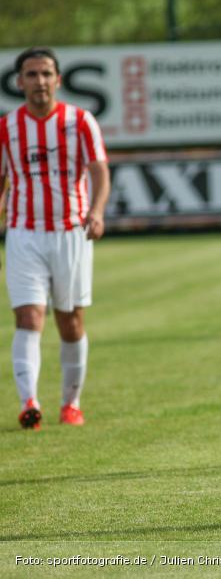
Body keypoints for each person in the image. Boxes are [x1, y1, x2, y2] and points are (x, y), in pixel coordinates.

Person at [0, 47, 110, 429]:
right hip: (23, 233)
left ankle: (70, 403)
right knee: (29, 317)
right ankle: (29, 402)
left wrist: (96, 211)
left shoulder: (80, 121)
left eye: (46, 73)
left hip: (70, 232)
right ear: (19, 82)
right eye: (32, 74)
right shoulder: (6, 127)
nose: (40, 81)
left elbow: (99, 171)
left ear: (58, 80)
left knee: (70, 321)